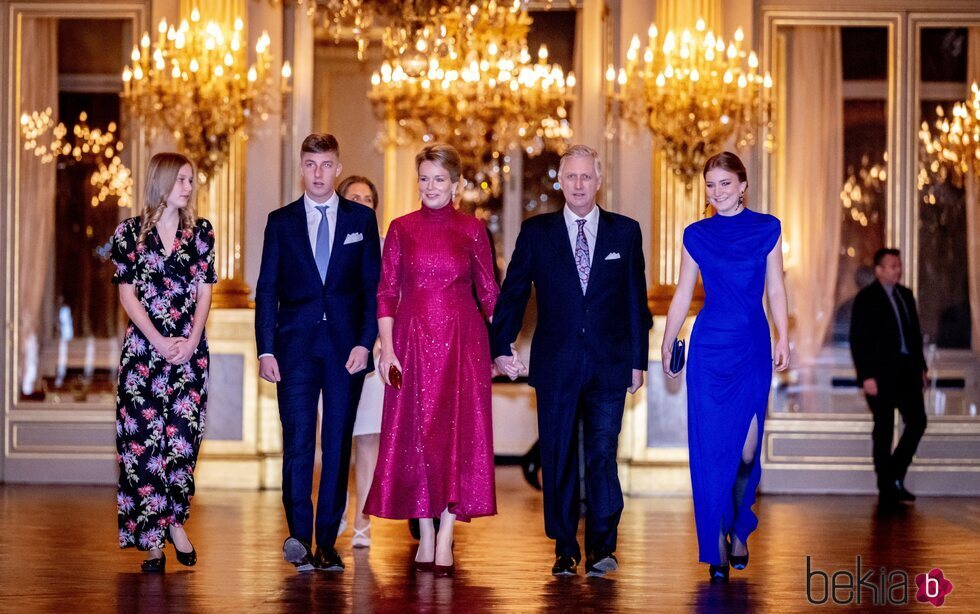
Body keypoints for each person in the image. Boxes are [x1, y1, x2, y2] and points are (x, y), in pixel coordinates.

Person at [491, 144, 652, 578]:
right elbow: (514, 292)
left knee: (602, 455)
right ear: (560, 182)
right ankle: (564, 546)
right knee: (558, 456)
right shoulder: (536, 232)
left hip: (610, 363)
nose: (579, 184)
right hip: (557, 363)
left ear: (599, 181)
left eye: (586, 177)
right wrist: (500, 345)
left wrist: (638, 360)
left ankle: (602, 546)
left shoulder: (625, 232)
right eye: (571, 177)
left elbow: (635, 301)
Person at [364, 143, 499, 576]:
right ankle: (423, 528)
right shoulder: (400, 228)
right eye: (424, 178)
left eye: (439, 179)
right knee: (415, 435)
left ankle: (446, 532)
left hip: (464, 345)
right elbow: (385, 292)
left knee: (454, 436)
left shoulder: (472, 229)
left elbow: (490, 293)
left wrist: (502, 347)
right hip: (411, 342)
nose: (430, 187)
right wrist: (387, 350)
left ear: (456, 184)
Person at [660, 151, 789, 583]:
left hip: (752, 345)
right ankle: (716, 535)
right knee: (712, 451)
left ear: (743, 184)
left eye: (725, 184)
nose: (717, 193)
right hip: (710, 348)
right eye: (711, 186)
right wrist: (666, 340)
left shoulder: (767, 228)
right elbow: (682, 293)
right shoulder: (696, 234)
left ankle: (739, 523)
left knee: (748, 449)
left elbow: (776, 289)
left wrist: (784, 336)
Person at [255, 134, 381, 572]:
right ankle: (297, 537)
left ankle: (327, 542)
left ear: (338, 166)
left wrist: (366, 342)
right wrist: (265, 350)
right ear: (302, 167)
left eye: (326, 165)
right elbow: (267, 289)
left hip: (347, 350)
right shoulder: (281, 221)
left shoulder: (361, 221)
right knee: (298, 445)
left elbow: (372, 290)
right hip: (293, 349)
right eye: (310, 165)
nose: (318, 174)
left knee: (338, 445)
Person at [110, 152, 216, 572]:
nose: (189, 187)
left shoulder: (201, 232)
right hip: (142, 359)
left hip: (189, 356)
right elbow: (127, 295)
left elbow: (205, 291)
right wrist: (157, 339)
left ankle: (173, 523)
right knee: (142, 448)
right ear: (163, 181)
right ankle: (154, 542)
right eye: (182, 180)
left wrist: (189, 341)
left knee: (182, 444)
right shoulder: (128, 234)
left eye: (191, 180)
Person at [849, 248, 927, 504]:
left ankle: (894, 474)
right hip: (880, 375)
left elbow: (914, 336)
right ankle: (887, 484)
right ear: (879, 270)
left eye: (898, 265)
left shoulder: (906, 295)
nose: (897, 270)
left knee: (918, 421)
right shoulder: (866, 298)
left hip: (907, 372)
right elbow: (858, 341)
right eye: (892, 265)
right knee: (883, 428)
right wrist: (866, 376)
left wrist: (922, 368)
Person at [335, 174, 382, 547]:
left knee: (367, 441)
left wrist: (382, 343)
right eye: (355, 197)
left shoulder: (385, 246)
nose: (362, 204)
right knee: (334, 441)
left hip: (374, 356)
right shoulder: (328, 243)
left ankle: (362, 521)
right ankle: (334, 509)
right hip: (332, 355)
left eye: (368, 199)